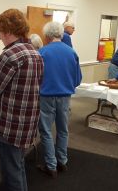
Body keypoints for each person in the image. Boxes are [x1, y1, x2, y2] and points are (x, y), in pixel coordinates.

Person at [0, 9, 44, 191]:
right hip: (26, 122)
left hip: (9, 124)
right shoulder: (35, 53)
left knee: (11, 173)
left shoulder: (10, 55)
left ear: (7, 30)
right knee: (18, 166)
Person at [37, 21, 82, 178]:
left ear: (47, 36)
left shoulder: (42, 52)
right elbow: (77, 79)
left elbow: (36, 78)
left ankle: (51, 165)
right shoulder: (71, 52)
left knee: (46, 131)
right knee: (63, 130)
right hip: (65, 97)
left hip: (46, 97)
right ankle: (62, 161)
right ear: (61, 34)